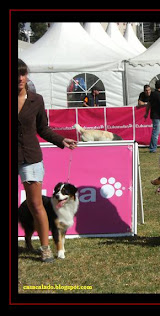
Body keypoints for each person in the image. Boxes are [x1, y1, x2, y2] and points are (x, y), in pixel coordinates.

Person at [18, 59, 77, 262]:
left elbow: (43, 128)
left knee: (35, 205)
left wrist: (61, 140)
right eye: (16, 73)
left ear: (26, 76)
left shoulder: (36, 100)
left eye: (23, 73)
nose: (19, 77)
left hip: (30, 157)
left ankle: (44, 248)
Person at [146, 80, 160, 153]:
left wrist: (146, 113)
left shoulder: (153, 93)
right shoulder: (158, 94)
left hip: (158, 115)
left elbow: (149, 104)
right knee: (156, 132)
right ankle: (152, 148)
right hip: (157, 116)